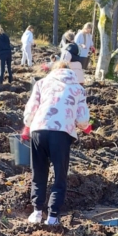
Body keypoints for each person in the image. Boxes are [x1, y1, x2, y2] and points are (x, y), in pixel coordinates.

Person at [22, 61, 91, 225]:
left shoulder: (41, 83)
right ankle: (52, 217)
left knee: (38, 172)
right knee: (59, 175)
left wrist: (29, 123)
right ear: (69, 72)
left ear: (54, 71)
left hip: (39, 130)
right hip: (61, 133)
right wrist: (84, 126)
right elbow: (82, 119)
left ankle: (37, 212)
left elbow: (30, 111)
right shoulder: (78, 89)